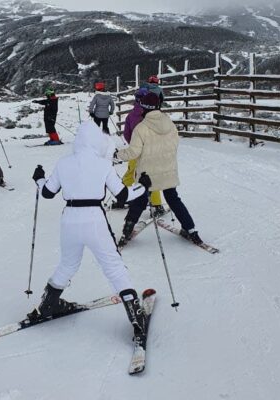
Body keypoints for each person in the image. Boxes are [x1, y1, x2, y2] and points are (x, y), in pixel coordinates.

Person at [29, 120, 152, 343]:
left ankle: (49, 303)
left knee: (67, 264)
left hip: (69, 219)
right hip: (94, 218)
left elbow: (47, 192)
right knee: (113, 266)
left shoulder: (64, 163)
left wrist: (38, 177)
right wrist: (143, 185)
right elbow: (123, 196)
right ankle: (135, 317)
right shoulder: (102, 165)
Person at [116, 92, 203, 245]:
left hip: (147, 175)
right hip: (168, 170)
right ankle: (191, 230)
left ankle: (127, 231)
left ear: (143, 107)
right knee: (173, 199)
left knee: (139, 201)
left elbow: (133, 152)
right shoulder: (169, 123)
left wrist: (117, 154)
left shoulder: (141, 128)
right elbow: (175, 144)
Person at [111, 89, 165, 216]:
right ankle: (156, 205)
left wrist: (133, 144)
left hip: (134, 151)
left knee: (130, 173)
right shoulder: (152, 115)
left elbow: (126, 133)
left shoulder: (131, 115)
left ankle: (122, 197)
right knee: (150, 176)